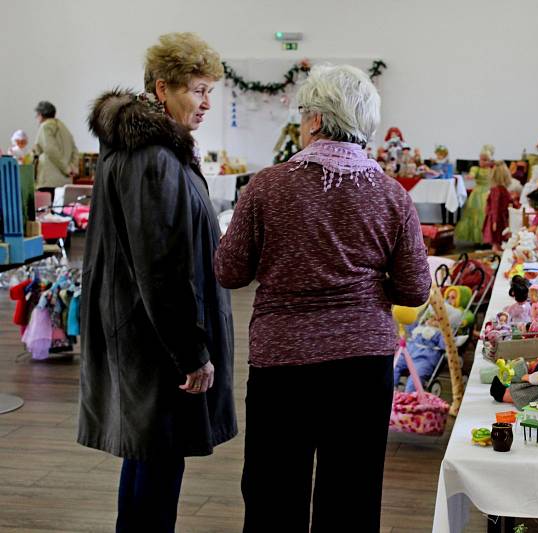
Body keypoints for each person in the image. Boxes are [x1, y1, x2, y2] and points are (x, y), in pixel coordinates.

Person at [214, 64, 431, 532]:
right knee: (351, 493)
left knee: (275, 491)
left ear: (315, 120)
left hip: (283, 360)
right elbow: (415, 288)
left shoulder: (267, 186)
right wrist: (369, 286)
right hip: (362, 361)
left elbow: (229, 271)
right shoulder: (392, 195)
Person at [79, 32, 237, 533]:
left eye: (212, 90)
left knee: (150, 459)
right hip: (155, 341)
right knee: (157, 461)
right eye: (198, 89)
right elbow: (160, 265)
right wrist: (191, 352)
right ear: (163, 87)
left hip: (145, 333)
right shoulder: (150, 156)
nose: (207, 102)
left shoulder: (145, 147)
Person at [31, 100, 80, 197]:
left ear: (41, 114)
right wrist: (73, 168)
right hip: (65, 181)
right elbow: (75, 150)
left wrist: (66, 168)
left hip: (49, 180)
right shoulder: (63, 127)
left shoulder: (45, 126)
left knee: (48, 210)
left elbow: (50, 149)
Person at [454, 144, 495, 244]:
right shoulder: (476, 169)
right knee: (476, 214)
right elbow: (472, 175)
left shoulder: (493, 170)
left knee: (486, 214)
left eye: (485, 160)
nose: (482, 162)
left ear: (490, 161)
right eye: (481, 159)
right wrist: (470, 176)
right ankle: (476, 239)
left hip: (488, 193)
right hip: (477, 193)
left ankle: (487, 239)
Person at [483, 161, 513, 253]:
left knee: (497, 242)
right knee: (498, 241)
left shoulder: (497, 189)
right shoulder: (501, 189)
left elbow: (495, 205)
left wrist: (494, 221)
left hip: (498, 218)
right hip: (500, 218)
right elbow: (497, 206)